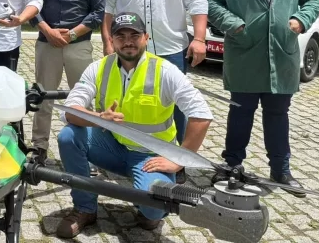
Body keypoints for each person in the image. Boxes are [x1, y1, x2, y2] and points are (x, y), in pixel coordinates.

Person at [55, 12, 213, 238]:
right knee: (68, 136)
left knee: (153, 208)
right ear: (112, 40)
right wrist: (98, 118)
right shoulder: (99, 67)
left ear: (146, 38)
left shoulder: (164, 71)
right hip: (113, 148)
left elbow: (201, 114)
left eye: (134, 35)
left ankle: (150, 214)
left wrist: (179, 160)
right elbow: (71, 111)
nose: (128, 41)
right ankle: (85, 208)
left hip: (151, 156)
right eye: (121, 36)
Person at [204, 0, 319, 196]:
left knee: (278, 115)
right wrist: (233, 24)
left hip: (281, 55)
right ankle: (232, 165)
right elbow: (209, 0)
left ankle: (281, 170)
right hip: (244, 54)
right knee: (240, 113)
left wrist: (302, 19)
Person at [101, 0, 208, 182]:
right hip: (131, 51)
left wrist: (199, 39)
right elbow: (108, 11)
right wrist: (107, 42)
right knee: (128, 103)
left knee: (178, 109)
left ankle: (179, 161)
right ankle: (126, 153)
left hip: (171, 49)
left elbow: (197, 4)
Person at [28, 0, 104, 166]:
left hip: (78, 45)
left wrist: (70, 35)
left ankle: (86, 151)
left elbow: (99, 12)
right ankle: (39, 148)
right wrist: (48, 31)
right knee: (42, 97)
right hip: (46, 44)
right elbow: (31, 5)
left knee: (82, 99)